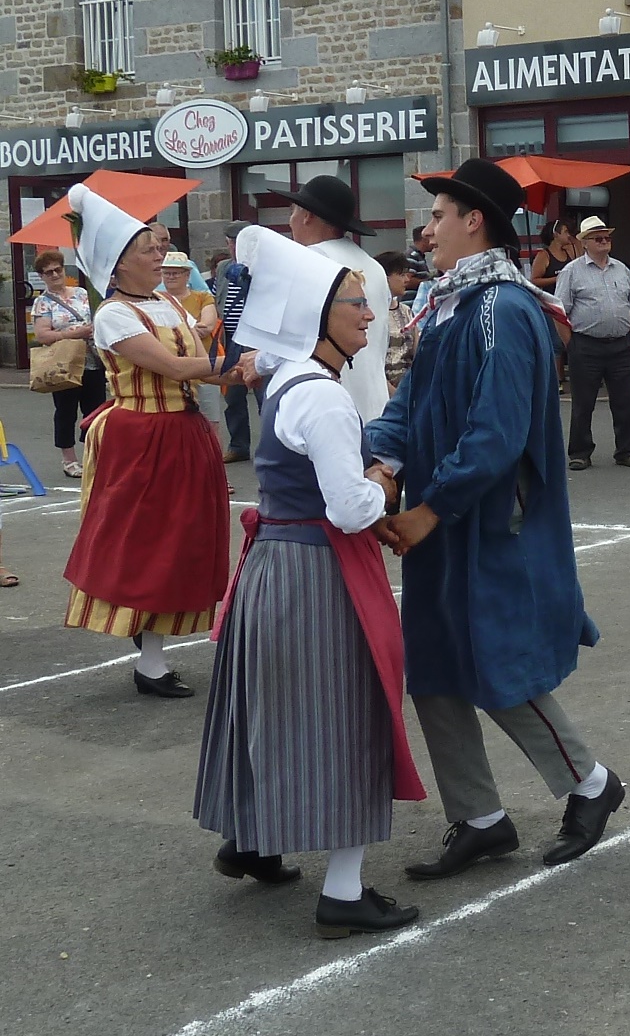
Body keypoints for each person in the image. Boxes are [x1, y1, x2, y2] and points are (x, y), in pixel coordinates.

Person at [366, 157, 625, 879]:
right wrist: (382, 463)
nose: (427, 228)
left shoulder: (502, 309)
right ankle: (478, 817)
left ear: (474, 220)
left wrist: (428, 509)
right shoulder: (450, 302)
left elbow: (497, 433)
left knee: (496, 664)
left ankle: (591, 784)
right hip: (443, 519)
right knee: (435, 664)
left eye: (439, 214)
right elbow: (407, 402)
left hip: (488, 522)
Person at [193, 226, 426, 939]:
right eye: (354, 302)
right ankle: (345, 893)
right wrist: (384, 479)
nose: (367, 312)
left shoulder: (288, 377)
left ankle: (253, 839)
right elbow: (349, 506)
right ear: (314, 315)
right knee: (348, 715)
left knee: (268, 704)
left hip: (275, 567)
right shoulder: (320, 396)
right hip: (317, 572)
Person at [61, 186, 257, 698]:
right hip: (142, 436)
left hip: (184, 431)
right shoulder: (113, 315)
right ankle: (149, 662)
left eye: (158, 246)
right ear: (118, 262)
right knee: (150, 543)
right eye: (149, 248)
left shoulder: (168, 301)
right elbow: (173, 366)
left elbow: (204, 346)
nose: (160, 256)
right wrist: (243, 369)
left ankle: (152, 653)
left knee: (186, 540)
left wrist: (247, 351)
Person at [269, 175, 392, 423]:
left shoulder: (309, 261)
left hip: (327, 406)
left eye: (293, 212)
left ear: (307, 216)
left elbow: (290, 341)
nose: (289, 221)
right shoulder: (373, 266)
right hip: (376, 406)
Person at [555, 216, 630, 470]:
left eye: (607, 237)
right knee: (583, 403)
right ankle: (580, 452)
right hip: (586, 344)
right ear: (585, 243)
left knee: (626, 401)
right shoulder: (572, 272)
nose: (604, 241)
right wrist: (571, 344)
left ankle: (626, 450)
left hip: (622, 344)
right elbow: (560, 312)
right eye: (598, 238)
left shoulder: (622, 269)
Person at [30, 250, 105, 479]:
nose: (54, 275)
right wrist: (73, 334)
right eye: (48, 272)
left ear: (64, 270)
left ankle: (94, 456)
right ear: (42, 276)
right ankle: (69, 459)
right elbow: (42, 335)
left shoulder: (81, 293)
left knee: (96, 411)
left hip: (91, 361)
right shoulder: (42, 303)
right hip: (63, 365)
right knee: (66, 411)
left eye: (57, 270)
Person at [164, 250, 225, 447]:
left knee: (210, 424)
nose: (171, 277)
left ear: (187, 275)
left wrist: (176, 330)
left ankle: (216, 472)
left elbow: (206, 327)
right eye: (166, 273)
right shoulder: (154, 300)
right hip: (171, 371)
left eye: (176, 272)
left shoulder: (202, 298)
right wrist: (192, 327)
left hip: (204, 367)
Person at [214, 221, 258, 463]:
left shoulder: (261, 267)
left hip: (256, 338)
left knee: (263, 393)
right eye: (231, 242)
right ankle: (239, 445)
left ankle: (273, 447)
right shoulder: (222, 268)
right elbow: (217, 297)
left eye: (238, 242)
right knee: (233, 394)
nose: (233, 247)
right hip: (229, 338)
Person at [374, 250, 421, 392]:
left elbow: (418, 353)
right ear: (385, 278)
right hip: (381, 391)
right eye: (401, 275)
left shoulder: (406, 311)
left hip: (408, 389)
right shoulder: (371, 313)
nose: (407, 280)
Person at [530, 218, 577, 289]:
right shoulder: (544, 255)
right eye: (566, 232)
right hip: (551, 297)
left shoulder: (569, 251)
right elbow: (534, 280)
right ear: (556, 234)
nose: (568, 235)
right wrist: (557, 279)